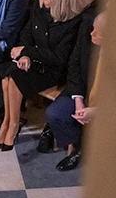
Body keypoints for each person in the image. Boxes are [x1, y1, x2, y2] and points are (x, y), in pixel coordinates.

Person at [0, 0, 82, 150]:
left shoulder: (73, 24)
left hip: (52, 69)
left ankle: (12, 126)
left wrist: (27, 52)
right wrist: (24, 56)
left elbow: (59, 58)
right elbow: (27, 33)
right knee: (7, 77)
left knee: (15, 78)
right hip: (33, 60)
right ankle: (7, 122)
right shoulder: (40, 9)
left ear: (60, 1)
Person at [40, 10, 105, 171]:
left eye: (97, 32)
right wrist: (78, 101)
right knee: (55, 113)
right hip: (81, 90)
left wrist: (97, 111)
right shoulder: (87, 36)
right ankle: (78, 146)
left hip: (107, 105)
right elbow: (74, 66)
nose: (92, 33)